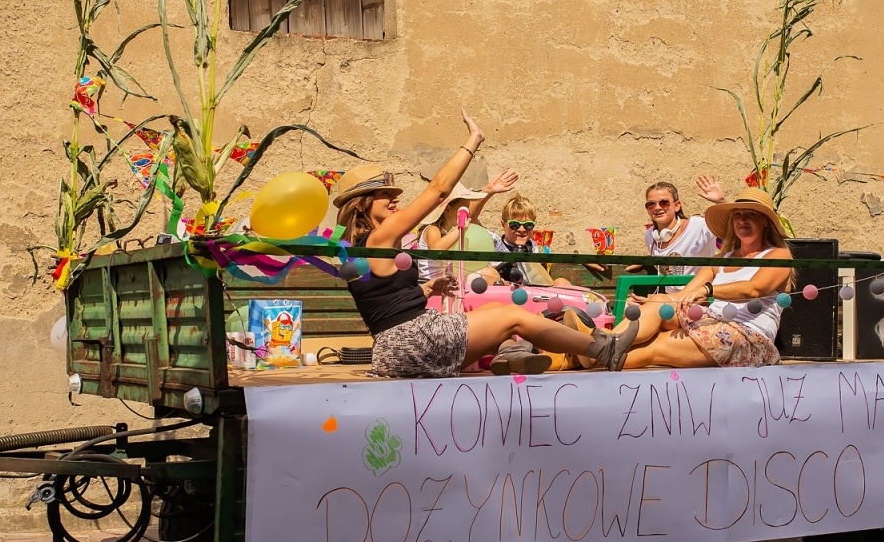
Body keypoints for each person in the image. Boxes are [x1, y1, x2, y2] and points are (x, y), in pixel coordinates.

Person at [332, 110, 637, 378]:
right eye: (385, 194)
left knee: (495, 307)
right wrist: (472, 141)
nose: (395, 198)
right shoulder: (381, 238)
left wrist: (427, 289)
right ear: (361, 205)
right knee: (514, 316)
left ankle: (512, 353)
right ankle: (604, 348)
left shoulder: (360, 248)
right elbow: (438, 191)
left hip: (395, 348)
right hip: (415, 340)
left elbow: (384, 302)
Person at [611, 187, 791, 369]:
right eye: (737, 215)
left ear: (766, 222)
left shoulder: (779, 255)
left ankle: (594, 350)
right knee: (659, 302)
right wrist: (652, 303)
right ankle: (599, 344)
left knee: (653, 347)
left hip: (748, 337)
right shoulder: (720, 259)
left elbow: (754, 289)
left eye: (751, 214)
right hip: (712, 322)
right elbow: (686, 295)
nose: (742, 220)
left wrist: (708, 289)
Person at [636, 176, 726, 276]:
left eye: (664, 202)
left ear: (677, 205)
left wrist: (721, 202)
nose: (657, 208)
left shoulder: (700, 226)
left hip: (701, 290)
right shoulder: (650, 235)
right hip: (668, 292)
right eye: (651, 204)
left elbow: (731, 229)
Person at [416, 182, 503, 281]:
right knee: (488, 274)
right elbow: (436, 250)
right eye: (464, 208)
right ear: (448, 209)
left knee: (491, 274)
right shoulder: (432, 229)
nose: (467, 212)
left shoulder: (451, 232)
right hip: (432, 285)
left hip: (451, 280)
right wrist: (460, 229)